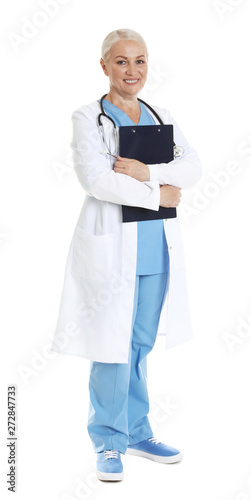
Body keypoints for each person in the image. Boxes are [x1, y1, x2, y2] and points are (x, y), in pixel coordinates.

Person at [51, 28, 202, 482]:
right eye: (121, 61)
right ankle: (109, 440)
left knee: (139, 344)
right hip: (112, 248)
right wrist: (160, 191)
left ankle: (137, 432)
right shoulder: (87, 117)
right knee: (111, 345)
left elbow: (192, 167)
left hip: (155, 245)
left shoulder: (161, 113)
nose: (132, 71)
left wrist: (144, 171)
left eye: (140, 61)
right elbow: (97, 180)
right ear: (104, 66)